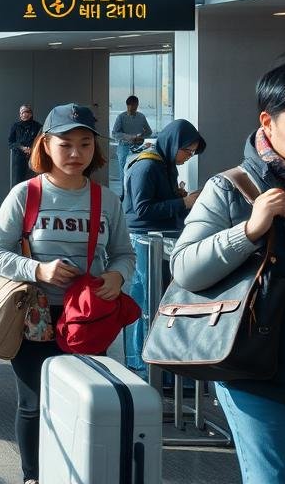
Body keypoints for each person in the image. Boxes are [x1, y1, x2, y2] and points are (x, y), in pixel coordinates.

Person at [172, 55, 285, 483]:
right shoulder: (232, 188)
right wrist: (248, 230)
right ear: (267, 123)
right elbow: (184, 268)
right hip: (257, 370)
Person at [0, 103, 135, 484]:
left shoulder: (106, 200)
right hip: (34, 317)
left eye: (85, 144)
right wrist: (38, 269)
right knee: (34, 403)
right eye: (65, 144)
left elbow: (123, 252)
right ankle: (33, 476)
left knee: (84, 398)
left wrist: (118, 275)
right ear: (45, 146)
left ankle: (75, 472)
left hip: (87, 319)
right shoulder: (26, 194)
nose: (75, 154)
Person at [121, 119, 206, 377]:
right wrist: (183, 204)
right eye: (187, 151)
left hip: (155, 237)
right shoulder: (147, 165)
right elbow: (141, 209)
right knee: (147, 302)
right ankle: (142, 364)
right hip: (144, 238)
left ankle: (145, 363)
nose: (188, 157)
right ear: (173, 144)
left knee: (147, 300)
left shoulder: (163, 164)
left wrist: (177, 197)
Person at [112, 95, 152, 184]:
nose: (132, 109)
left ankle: (134, 192)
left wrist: (141, 137)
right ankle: (123, 195)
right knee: (123, 172)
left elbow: (149, 132)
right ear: (127, 105)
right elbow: (114, 133)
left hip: (138, 147)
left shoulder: (141, 117)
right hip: (124, 147)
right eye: (130, 107)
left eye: (134, 107)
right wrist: (129, 137)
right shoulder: (121, 117)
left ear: (137, 105)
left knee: (137, 171)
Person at [8, 105, 42, 187]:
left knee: (33, 182)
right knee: (18, 183)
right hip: (19, 159)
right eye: (21, 112)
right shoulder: (16, 126)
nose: (22, 114)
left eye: (25, 112)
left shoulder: (38, 126)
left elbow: (40, 141)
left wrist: (32, 149)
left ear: (30, 113)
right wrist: (22, 148)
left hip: (33, 157)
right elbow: (10, 143)